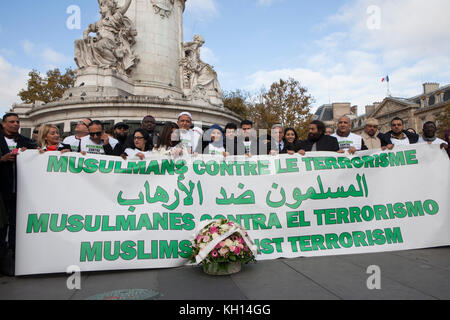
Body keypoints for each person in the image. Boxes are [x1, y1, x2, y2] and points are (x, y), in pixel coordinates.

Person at [0, 113, 35, 275]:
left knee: (16, 225)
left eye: (17, 122)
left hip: (20, 191)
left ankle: (14, 259)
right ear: (3, 123)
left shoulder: (26, 142)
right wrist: (2, 159)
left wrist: (32, 154)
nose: (15, 124)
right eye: (11, 122)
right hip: (2, 191)